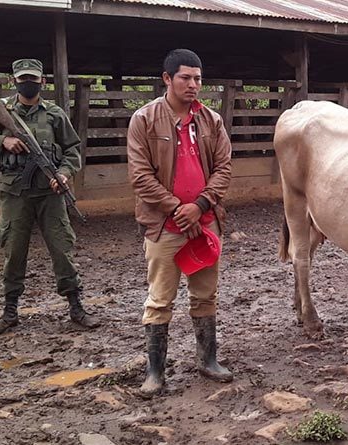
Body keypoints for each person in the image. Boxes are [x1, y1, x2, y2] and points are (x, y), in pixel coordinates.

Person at [127, 49, 234, 397]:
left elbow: (223, 169)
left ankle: (208, 360)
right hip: (164, 226)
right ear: (167, 79)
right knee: (160, 298)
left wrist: (200, 204)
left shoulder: (211, 121)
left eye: (198, 78)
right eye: (186, 78)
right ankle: (155, 372)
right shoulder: (144, 120)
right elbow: (140, 176)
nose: (193, 85)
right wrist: (177, 208)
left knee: (205, 294)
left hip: (205, 223)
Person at [0, 58, 99, 335]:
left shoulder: (54, 114)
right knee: (14, 251)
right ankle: (10, 310)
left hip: (50, 195)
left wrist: (63, 173)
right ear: (14, 80)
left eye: (34, 78)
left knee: (62, 249)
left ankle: (76, 306)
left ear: (43, 82)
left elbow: (73, 148)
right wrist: (2, 141)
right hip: (15, 194)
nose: (29, 83)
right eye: (23, 78)